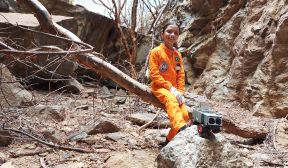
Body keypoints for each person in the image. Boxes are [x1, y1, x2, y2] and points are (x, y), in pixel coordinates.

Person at [149, 21, 190, 145]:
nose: (172, 35)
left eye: (176, 33)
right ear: (162, 34)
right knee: (171, 100)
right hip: (160, 87)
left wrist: (180, 92)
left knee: (185, 115)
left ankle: (168, 141)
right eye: (169, 31)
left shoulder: (177, 55)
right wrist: (170, 88)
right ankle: (183, 129)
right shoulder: (156, 52)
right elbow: (154, 74)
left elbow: (180, 74)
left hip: (176, 91)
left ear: (178, 37)